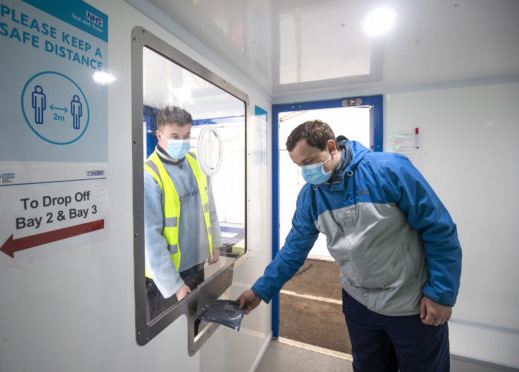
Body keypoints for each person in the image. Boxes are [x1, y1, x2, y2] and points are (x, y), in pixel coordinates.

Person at [237, 120, 462, 371]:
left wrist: (441, 294)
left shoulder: (389, 170)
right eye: (299, 166)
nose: (306, 171)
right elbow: (293, 250)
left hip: (411, 305)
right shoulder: (311, 196)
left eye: (310, 161)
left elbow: (439, 229)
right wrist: (259, 291)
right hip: (359, 305)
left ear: (331, 147)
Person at [144, 105, 221, 321]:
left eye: (186, 136)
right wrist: (175, 286)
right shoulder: (150, 175)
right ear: (159, 135)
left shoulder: (196, 162)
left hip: (196, 265)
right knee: (169, 338)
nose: (182, 142)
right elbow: (150, 240)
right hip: (166, 279)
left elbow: (209, 206)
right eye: (175, 136)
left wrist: (214, 242)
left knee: (195, 324)